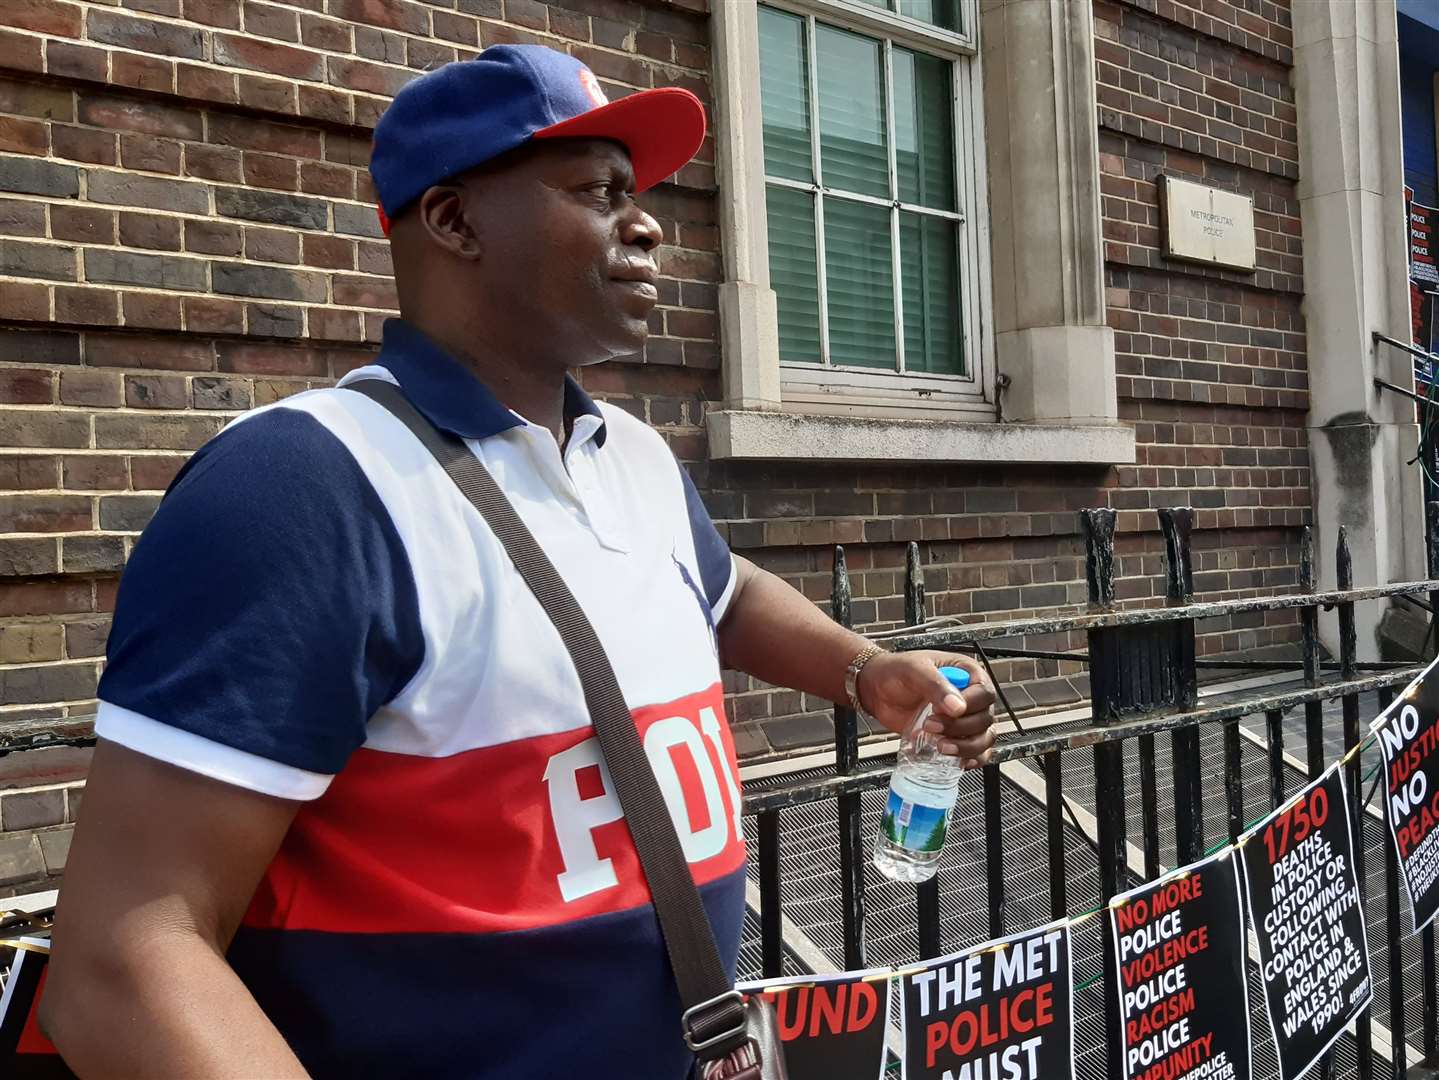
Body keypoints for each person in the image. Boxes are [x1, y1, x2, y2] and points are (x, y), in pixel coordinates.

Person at [39, 45, 998, 1079]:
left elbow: (719, 595)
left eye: (637, 194)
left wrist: (862, 672)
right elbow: (124, 966)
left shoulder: (625, 451)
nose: (645, 224)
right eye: (596, 190)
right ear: (452, 222)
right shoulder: (302, 488)